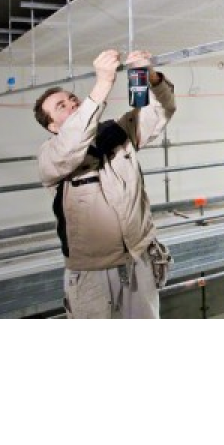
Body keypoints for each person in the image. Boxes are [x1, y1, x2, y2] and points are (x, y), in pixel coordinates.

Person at [33, 49, 176, 319]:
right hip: (92, 273)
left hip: (139, 258)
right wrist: (102, 84)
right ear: (52, 127)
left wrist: (150, 76)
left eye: (72, 99)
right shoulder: (51, 156)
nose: (71, 103)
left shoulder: (118, 133)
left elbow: (161, 111)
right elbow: (72, 142)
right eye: (61, 106)